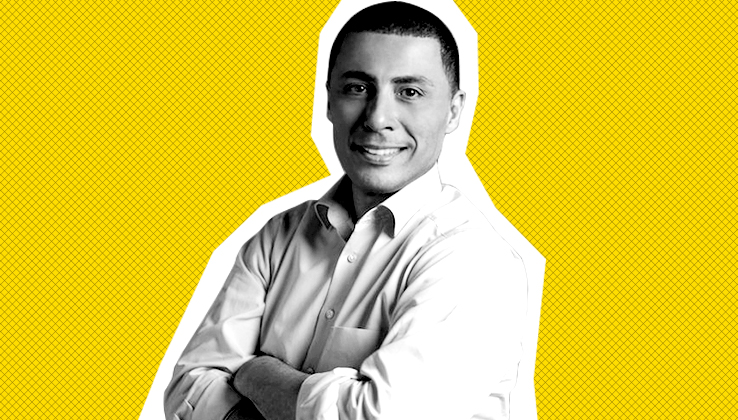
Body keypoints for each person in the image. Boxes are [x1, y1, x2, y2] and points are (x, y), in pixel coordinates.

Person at [165, 2, 530, 419]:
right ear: (328, 101)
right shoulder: (278, 236)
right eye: (357, 88)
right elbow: (188, 390)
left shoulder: (474, 259)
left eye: (409, 92)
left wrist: (254, 372)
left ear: (453, 110)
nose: (377, 118)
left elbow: (380, 416)